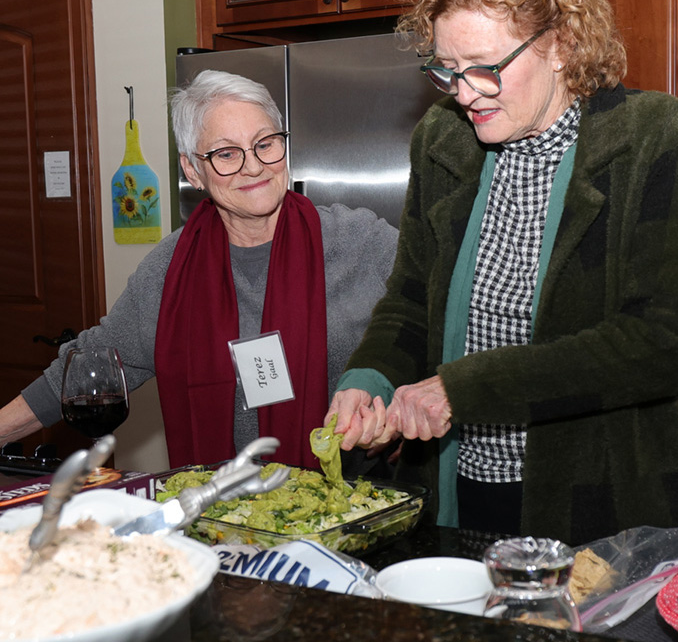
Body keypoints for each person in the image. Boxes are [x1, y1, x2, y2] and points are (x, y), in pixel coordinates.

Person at [326, 0, 678, 546]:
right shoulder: (441, 137)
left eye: (485, 68)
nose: (464, 93)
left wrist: (464, 389)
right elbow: (411, 299)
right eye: (448, 69)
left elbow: (660, 342)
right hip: (455, 486)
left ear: (562, 46)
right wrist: (369, 379)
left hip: (597, 491)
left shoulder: (653, 135)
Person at [0, 70, 398, 470]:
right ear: (192, 170)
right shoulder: (171, 268)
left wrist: (397, 415)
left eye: (265, 144)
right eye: (226, 154)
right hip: (217, 501)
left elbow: (423, 330)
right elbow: (89, 370)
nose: (253, 167)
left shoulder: (361, 241)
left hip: (359, 495)